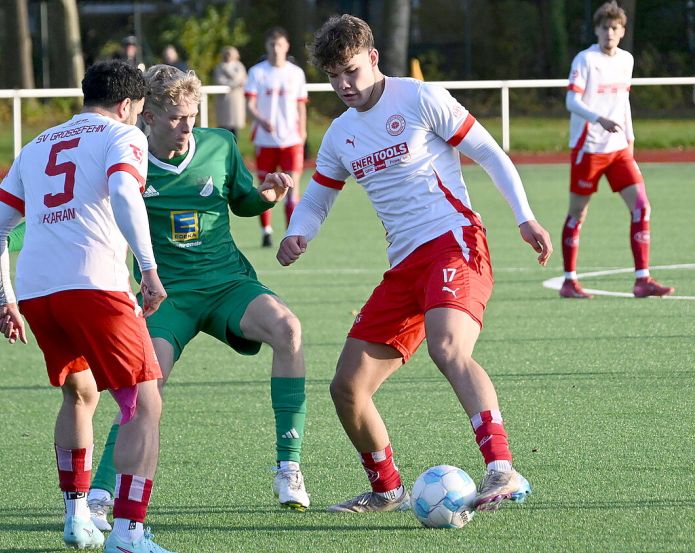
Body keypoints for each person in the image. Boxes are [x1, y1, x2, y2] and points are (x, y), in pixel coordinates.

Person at [0, 64, 312, 525]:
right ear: (145, 114)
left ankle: (288, 466)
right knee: (144, 390)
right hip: (168, 298)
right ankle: (104, 493)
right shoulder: (123, 151)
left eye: (193, 115)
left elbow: (242, 199)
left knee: (288, 329)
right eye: (175, 117)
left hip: (228, 284)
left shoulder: (219, 145)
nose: (188, 126)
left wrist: (267, 196)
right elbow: (65, 215)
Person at [278, 15, 553, 514]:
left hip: (454, 242)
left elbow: (489, 154)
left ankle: (501, 467)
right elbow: (318, 200)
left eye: (351, 71)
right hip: (404, 266)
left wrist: (525, 217)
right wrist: (299, 232)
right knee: (347, 387)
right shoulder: (340, 134)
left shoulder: (420, 98)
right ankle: (387, 490)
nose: (343, 85)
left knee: (448, 347)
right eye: (333, 76)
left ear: (374, 58)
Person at [0, 60, 174, 553]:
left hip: (38, 293)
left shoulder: (37, 144)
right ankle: (129, 533)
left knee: (80, 393)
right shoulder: (123, 136)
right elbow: (126, 192)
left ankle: (77, 516)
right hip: (95, 288)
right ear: (129, 105)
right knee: (144, 404)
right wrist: (148, 269)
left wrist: (5, 300)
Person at [559, 1, 673, 299]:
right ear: (597, 30)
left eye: (615, 28)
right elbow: (571, 102)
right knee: (577, 213)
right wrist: (598, 119)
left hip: (619, 149)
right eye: (605, 27)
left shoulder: (626, 60)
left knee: (641, 206)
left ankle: (642, 279)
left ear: (622, 31)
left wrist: (630, 140)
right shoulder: (584, 60)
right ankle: (569, 281)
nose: (610, 32)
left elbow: (623, 103)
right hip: (589, 149)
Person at [245, 27, 307, 248]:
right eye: (272, 44)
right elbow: (250, 105)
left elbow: (301, 106)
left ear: (287, 46)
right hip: (265, 139)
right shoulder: (257, 72)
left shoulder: (296, 73)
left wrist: (303, 132)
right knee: (266, 186)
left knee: (293, 186)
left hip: (291, 140)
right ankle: (266, 231)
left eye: (280, 44)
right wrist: (261, 120)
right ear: (267, 46)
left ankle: (291, 233)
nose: (276, 49)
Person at [213, 46, 247, 137]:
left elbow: (243, 79)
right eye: (227, 54)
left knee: (234, 127)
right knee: (224, 127)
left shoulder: (239, 66)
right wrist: (236, 83)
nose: (229, 56)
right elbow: (220, 81)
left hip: (236, 99)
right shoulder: (220, 67)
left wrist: (235, 82)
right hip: (224, 100)